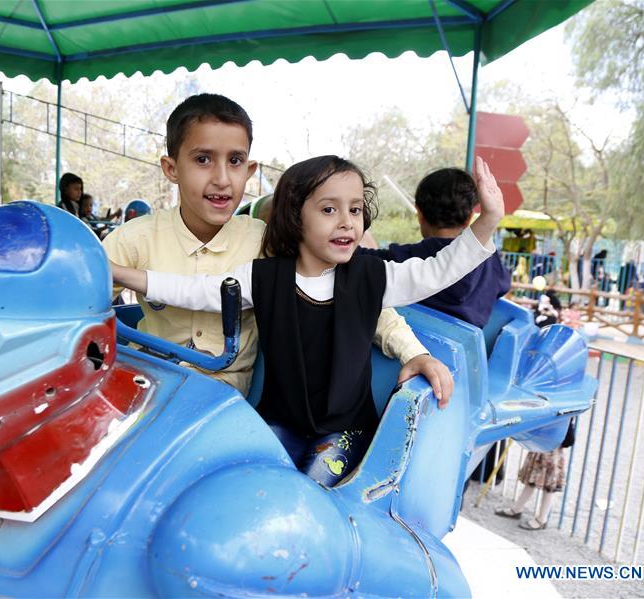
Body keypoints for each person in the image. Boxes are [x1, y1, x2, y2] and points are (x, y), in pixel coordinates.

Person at [111, 154, 505, 485]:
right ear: (296, 217)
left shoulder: (370, 276)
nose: (347, 221)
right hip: (279, 422)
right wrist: (123, 274)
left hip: (343, 430)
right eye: (329, 209)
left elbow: (436, 271)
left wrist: (488, 220)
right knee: (250, 479)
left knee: (310, 487)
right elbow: (193, 290)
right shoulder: (263, 277)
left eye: (355, 209)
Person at [102, 94, 452, 401]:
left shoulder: (266, 242)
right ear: (171, 168)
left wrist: (413, 352)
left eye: (235, 161)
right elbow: (80, 305)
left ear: (250, 170)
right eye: (203, 159)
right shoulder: (134, 238)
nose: (222, 179)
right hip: (144, 382)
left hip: (219, 399)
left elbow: (351, 291)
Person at [361, 167, 511, 328]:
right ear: (469, 218)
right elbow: (504, 286)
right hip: (472, 342)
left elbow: (362, 259)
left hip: (415, 340)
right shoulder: (490, 260)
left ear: (420, 214)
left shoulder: (410, 256)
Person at [495, 419, 574, 530]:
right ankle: (517, 509)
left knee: (549, 486)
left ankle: (542, 519)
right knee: (531, 481)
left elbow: (569, 439)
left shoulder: (566, 413)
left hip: (552, 451)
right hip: (539, 448)